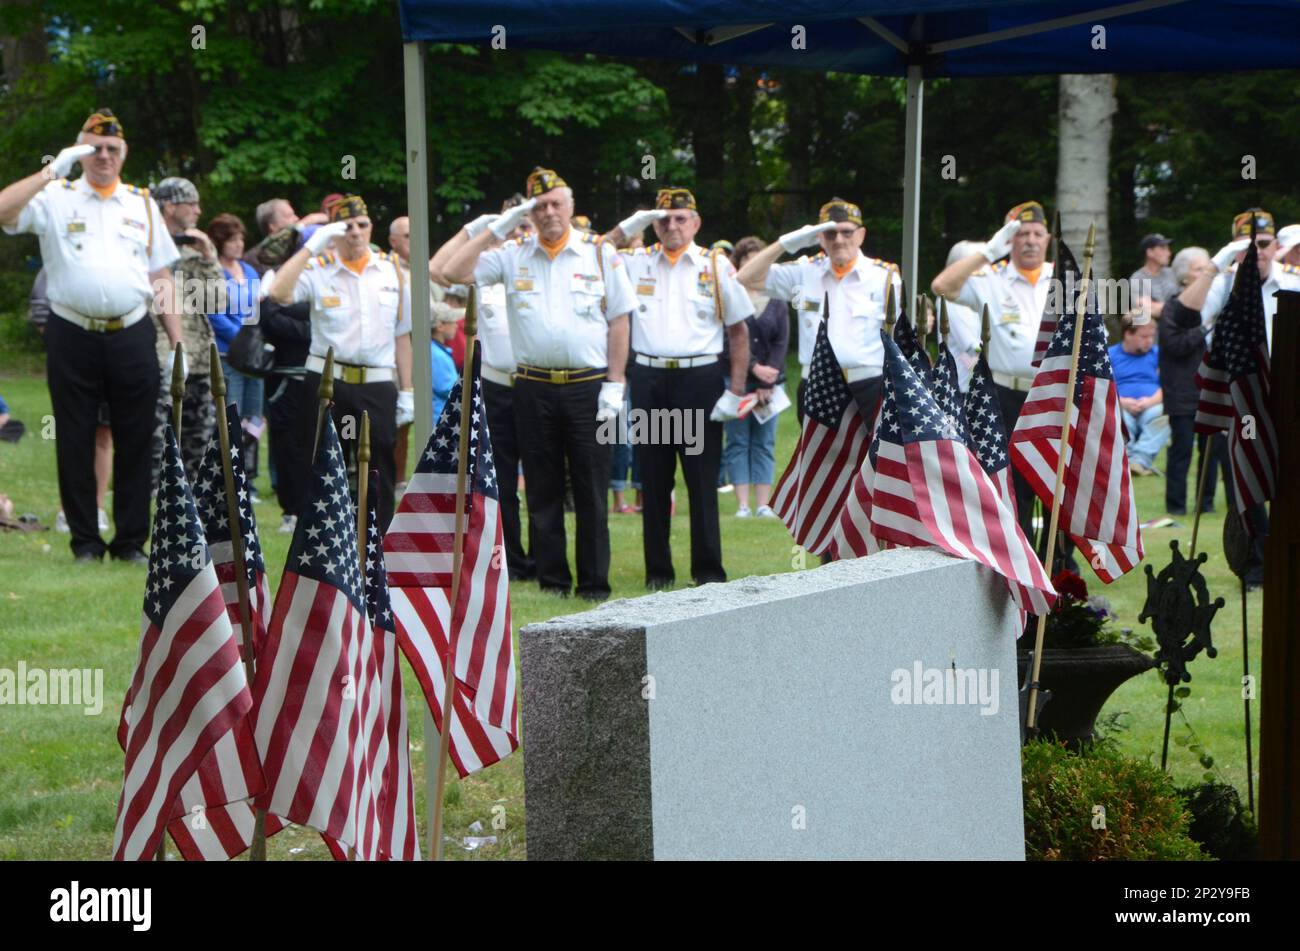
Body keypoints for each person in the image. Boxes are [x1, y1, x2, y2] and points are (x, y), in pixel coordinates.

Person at [442, 167, 634, 600]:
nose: (548, 213)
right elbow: (450, 272)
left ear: (571, 207)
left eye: (555, 204)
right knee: (542, 489)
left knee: (590, 487)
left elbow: (620, 318)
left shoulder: (600, 254)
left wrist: (615, 384)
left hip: (589, 386)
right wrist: (505, 222)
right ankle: (552, 580)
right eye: (539, 206)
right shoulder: (512, 254)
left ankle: (593, 583)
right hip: (532, 385)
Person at [0, 108, 183, 563]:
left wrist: (177, 343)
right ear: (80, 152)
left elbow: (160, 274)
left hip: (133, 330)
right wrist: (51, 169)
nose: (103, 156)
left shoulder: (141, 203)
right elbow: (3, 210)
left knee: (137, 436)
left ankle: (130, 543)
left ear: (124, 154)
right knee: (76, 435)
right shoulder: (56, 196)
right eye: (93, 148)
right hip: (71, 331)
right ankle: (84, 540)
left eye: (112, 149)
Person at [605, 187, 752, 589]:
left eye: (680, 218)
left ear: (696, 222)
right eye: (663, 219)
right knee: (654, 479)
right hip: (651, 379)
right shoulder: (636, 263)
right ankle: (658, 572)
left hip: (699, 380)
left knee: (702, 480)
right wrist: (628, 225)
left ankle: (708, 572)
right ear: (653, 224)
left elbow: (738, 332)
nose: (672, 226)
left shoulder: (716, 266)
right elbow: (597, 251)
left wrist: (735, 390)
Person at [269, 194, 414, 530]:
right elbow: (277, 293)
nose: (355, 233)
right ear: (333, 232)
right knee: (320, 463)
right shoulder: (318, 270)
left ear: (371, 227)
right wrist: (310, 247)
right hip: (327, 381)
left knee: (379, 466)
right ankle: (321, 539)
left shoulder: (392, 271)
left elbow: (401, 335)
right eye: (345, 227)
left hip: (376, 382)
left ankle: (376, 541)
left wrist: (407, 389)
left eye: (362, 225)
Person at [931, 200, 1054, 543]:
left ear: (1048, 238)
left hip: (1051, 395)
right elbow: (943, 287)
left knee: (1055, 481)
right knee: (1012, 482)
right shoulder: (990, 279)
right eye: (1021, 234)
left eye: (1037, 234)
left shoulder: (1064, 279)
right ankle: (1019, 554)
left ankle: (1061, 566)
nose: (1030, 240)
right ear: (1009, 241)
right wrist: (988, 252)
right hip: (1007, 396)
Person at [432, 196, 538, 580]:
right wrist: (478, 227)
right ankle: (512, 559)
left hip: (536, 381)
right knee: (501, 478)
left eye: (525, 224)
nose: (519, 232)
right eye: (513, 225)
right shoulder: (488, 269)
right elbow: (438, 270)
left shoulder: (544, 265)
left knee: (543, 478)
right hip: (496, 384)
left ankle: (545, 557)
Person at [737, 197, 901, 422]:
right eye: (831, 234)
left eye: (847, 232)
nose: (839, 240)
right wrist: (785, 244)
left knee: (869, 457)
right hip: (817, 385)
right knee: (817, 457)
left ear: (861, 235)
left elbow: (899, 337)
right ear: (820, 238)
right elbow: (745, 278)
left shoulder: (885, 276)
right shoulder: (805, 271)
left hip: (868, 385)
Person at [148, 177, 219, 484]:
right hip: (158, 355)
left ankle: (191, 505)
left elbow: (216, 302)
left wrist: (208, 259)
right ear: (170, 205)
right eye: (192, 203)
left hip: (199, 361)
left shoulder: (193, 253)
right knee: (156, 437)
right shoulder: (144, 246)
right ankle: (151, 494)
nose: (198, 211)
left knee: (198, 443)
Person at [31, 267, 113, 533]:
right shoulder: (60, 259)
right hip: (71, 358)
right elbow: (40, 309)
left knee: (103, 434)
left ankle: (98, 507)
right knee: (72, 435)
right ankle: (68, 510)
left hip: (114, 356)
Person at [725, 236, 788, 518]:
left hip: (770, 384)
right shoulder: (731, 295)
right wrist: (752, 368)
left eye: (756, 259)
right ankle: (742, 505)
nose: (751, 265)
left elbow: (781, 341)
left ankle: (763, 504)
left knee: (764, 441)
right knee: (738, 441)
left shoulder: (777, 296)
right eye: (745, 260)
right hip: (737, 380)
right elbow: (729, 340)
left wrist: (767, 380)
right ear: (738, 264)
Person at [207, 213, 265, 487]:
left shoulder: (250, 270)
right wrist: (242, 340)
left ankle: (248, 478)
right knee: (231, 414)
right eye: (232, 240)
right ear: (219, 243)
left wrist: (253, 341)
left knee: (254, 416)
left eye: (241, 238)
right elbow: (215, 315)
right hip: (228, 355)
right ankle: (227, 476)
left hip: (253, 357)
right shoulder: (213, 272)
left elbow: (258, 307)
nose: (238, 244)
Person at [1158, 246, 1216, 515]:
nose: (1207, 274)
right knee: (1181, 451)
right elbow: (1175, 345)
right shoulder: (1172, 307)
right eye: (1199, 269)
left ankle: (1205, 505)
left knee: (1211, 452)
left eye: (1208, 268)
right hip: (1182, 391)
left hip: (1211, 391)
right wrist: (1204, 328)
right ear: (1184, 277)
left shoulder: (1215, 303)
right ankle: (1176, 506)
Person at [1109, 310, 1169, 476]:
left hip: (1152, 405)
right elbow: (1103, 388)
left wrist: (1150, 401)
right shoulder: (1109, 356)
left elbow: (1169, 386)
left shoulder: (1158, 354)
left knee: (1166, 415)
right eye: (1144, 337)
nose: (1149, 341)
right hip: (1121, 405)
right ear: (1128, 334)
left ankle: (1138, 462)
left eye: (1151, 336)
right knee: (1114, 416)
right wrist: (1122, 402)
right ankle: (1127, 460)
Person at [1129, 234, 1176, 319]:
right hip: (1155, 330)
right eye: (1163, 249)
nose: (1169, 253)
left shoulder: (1172, 273)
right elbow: (1148, 309)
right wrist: (1179, 307)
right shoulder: (1138, 279)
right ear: (1150, 252)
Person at [429, 301, 461, 422]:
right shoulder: (435, 354)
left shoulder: (437, 350)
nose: (456, 326)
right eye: (452, 322)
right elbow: (446, 388)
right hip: (440, 419)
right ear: (440, 326)